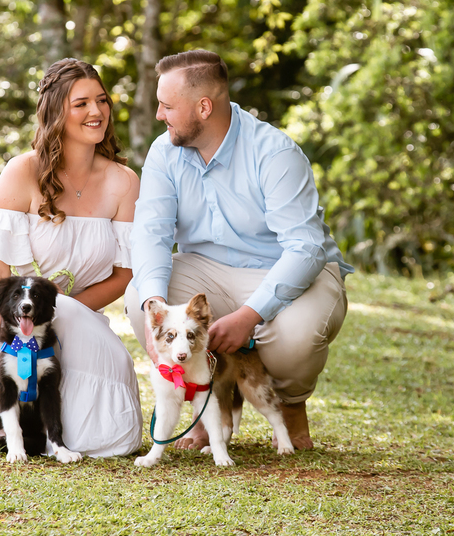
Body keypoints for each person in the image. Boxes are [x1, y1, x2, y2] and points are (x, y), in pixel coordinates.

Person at [125, 49, 353, 450]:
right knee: (140, 298)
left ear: (204, 107)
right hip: (205, 269)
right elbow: (151, 233)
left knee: (296, 336)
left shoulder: (275, 152)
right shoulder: (165, 151)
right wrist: (154, 303)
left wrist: (249, 316)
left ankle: (290, 401)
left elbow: (305, 248)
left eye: (166, 106)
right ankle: (202, 400)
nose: (160, 115)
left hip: (286, 269)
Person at [0, 58, 143, 458]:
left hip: (74, 313)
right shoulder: (22, 171)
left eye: (102, 101)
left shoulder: (124, 182)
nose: (97, 112)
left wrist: (65, 308)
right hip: (7, 313)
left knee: (116, 440)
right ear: (56, 111)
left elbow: (125, 274)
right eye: (81, 104)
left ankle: (32, 427)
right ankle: (4, 414)